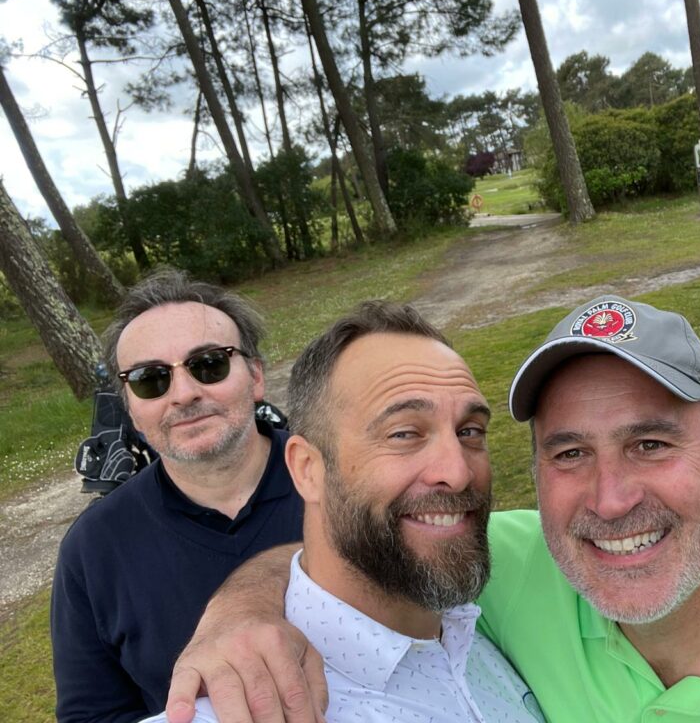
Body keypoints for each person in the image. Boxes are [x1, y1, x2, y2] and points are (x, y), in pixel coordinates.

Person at [164, 296, 700, 723]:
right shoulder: (513, 565)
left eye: (651, 443)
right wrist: (243, 609)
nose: (611, 499)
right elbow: (363, 545)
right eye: (569, 453)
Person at [142, 301, 541, 723]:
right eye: (404, 433)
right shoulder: (237, 713)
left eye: (470, 431)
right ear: (307, 469)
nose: (457, 473)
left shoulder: (492, 620)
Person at [51, 269, 304, 723]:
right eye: (150, 379)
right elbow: (93, 714)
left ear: (256, 376)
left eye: (209, 364)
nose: (184, 394)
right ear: (130, 407)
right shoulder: (93, 548)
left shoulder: (348, 479)